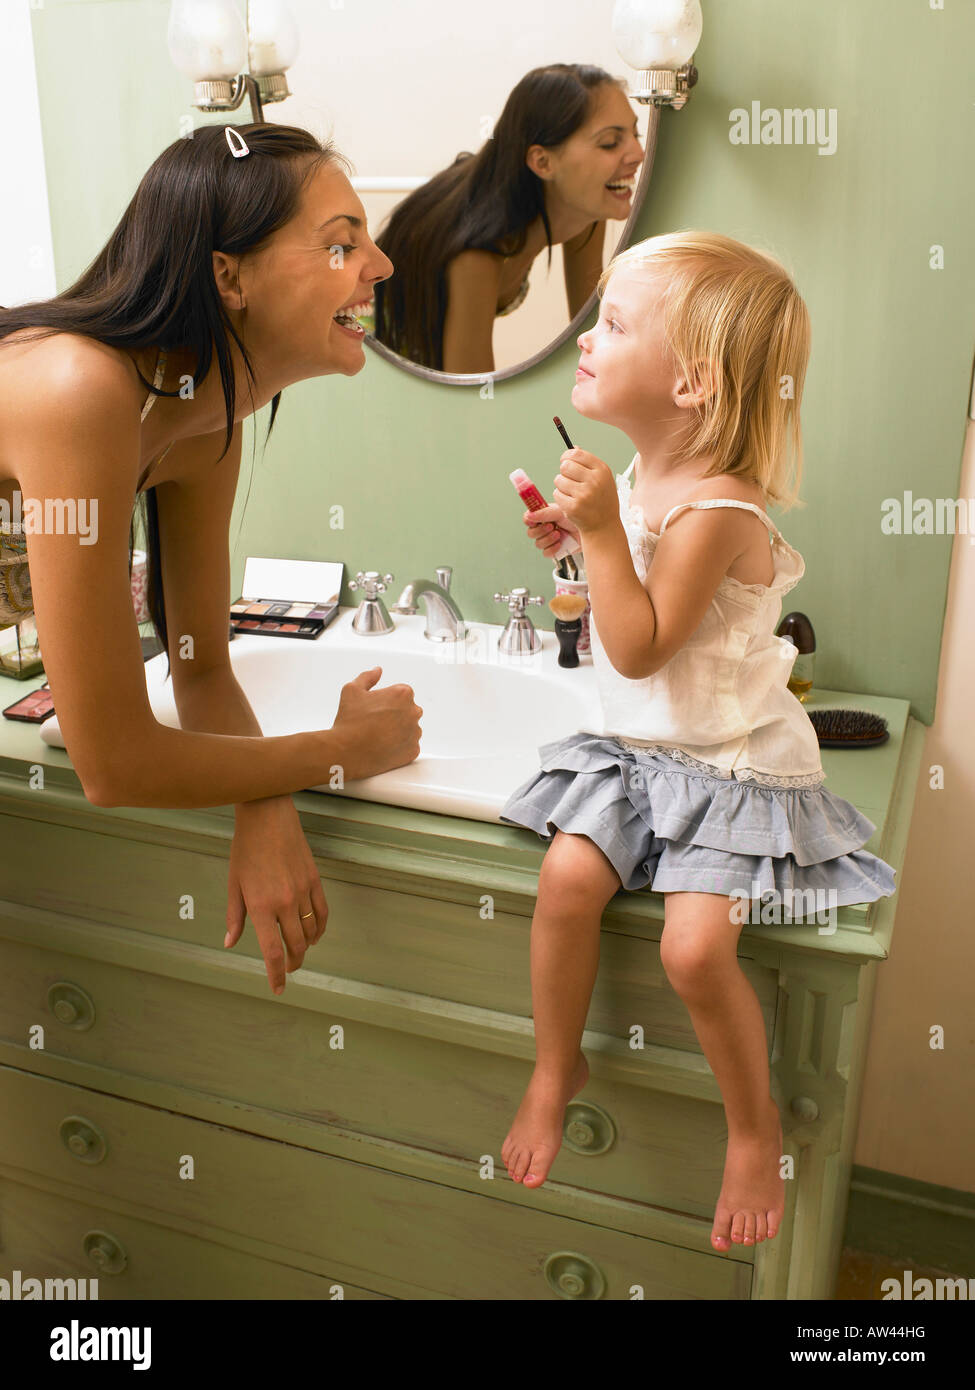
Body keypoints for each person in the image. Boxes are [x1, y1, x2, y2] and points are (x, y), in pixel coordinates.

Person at [498, 230, 897, 1253]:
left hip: (727, 768)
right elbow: (619, 615)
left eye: (615, 323)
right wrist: (584, 544)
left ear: (693, 384)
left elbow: (635, 650)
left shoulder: (720, 507)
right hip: (640, 758)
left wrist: (599, 540)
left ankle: (754, 1129)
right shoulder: (644, 472)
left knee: (693, 945)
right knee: (564, 887)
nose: (588, 337)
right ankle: (556, 1064)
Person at [0, 123, 422, 996]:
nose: (379, 266)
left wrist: (264, 805)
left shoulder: (209, 418)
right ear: (229, 276)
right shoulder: (81, 390)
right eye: (342, 243)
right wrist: (336, 750)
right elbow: (111, 763)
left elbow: (198, 666)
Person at [372, 63, 644, 372]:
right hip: (374, 349)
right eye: (610, 142)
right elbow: (472, 395)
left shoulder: (585, 207)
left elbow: (594, 338)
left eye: (636, 133)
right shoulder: (476, 252)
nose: (638, 153)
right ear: (542, 162)